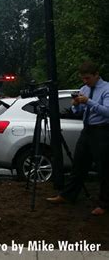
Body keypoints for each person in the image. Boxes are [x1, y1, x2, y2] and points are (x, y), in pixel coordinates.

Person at [46, 61, 109, 215]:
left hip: (102, 131)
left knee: (104, 169)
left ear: (96, 75)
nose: (85, 82)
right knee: (78, 164)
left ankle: (104, 204)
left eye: (88, 78)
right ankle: (67, 195)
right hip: (87, 130)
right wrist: (76, 105)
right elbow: (77, 111)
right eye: (83, 79)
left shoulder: (107, 89)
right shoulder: (84, 89)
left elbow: (107, 112)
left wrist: (88, 101)